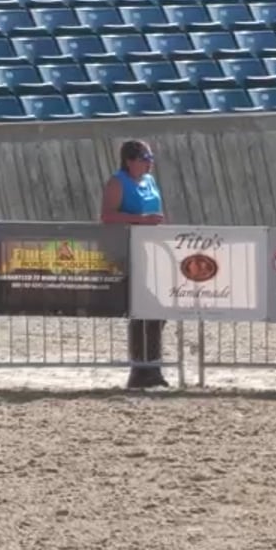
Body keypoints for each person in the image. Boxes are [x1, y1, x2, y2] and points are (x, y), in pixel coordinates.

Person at [100, 139, 168, 390]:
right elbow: (107, 216)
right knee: (143, 309)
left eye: (150, 158)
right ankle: (143, 369)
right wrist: (140, 220)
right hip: (129, 250)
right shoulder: (117, 183)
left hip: (152, 248)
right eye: (145, 159)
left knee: (159, 310)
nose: (150, 163)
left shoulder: (149, 181)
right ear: (130, 161)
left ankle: (149, 367)